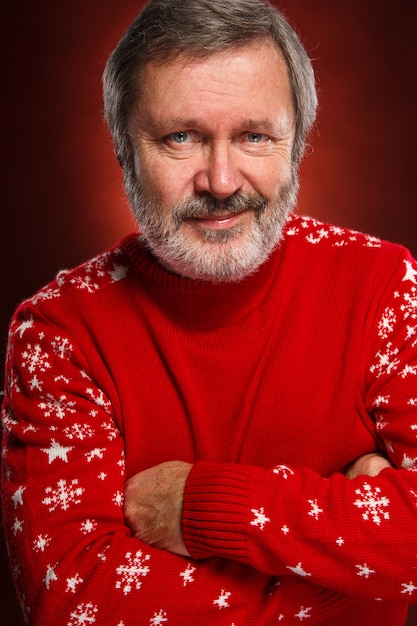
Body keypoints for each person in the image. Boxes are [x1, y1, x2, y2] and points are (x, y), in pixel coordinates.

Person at [2, 0, 417, 624]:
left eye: (254, 135)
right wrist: (357, 577)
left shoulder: (382, 285)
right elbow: (73, 600)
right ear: (123, 151)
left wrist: (203, 508)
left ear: (296, 143)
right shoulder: (60, 332)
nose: (222, 181)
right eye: (181, 137)